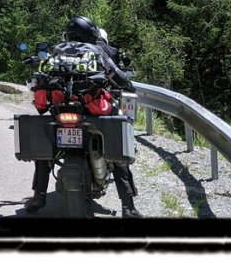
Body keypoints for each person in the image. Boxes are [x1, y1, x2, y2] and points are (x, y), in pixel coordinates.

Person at [24, 15, 142, 218]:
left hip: (60, 107)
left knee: (44, 151)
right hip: (90, 109)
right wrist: (127, 84)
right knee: (116, 148)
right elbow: (117, 76)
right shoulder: (96, 51)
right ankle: (128, 207)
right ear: (90, 34)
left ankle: (38, 196)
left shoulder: (56, 49)